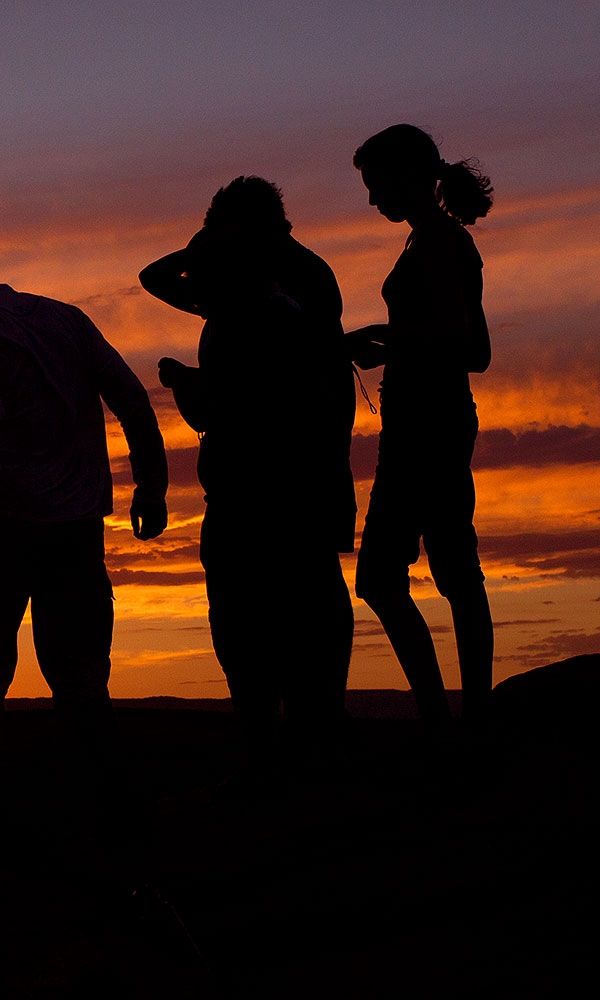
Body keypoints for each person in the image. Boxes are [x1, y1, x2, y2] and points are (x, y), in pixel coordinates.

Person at [0, 229, 169, 826]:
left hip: (7, 523)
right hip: (76, 527)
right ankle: (112, 802)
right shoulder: (64, 318)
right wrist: (151, 484)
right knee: (78, 669)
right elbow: (131, 398)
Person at [140, 176, 355, 763]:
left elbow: (215, 409)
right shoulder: (261, 302)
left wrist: (181, 380)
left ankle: (279, 747)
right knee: (300, 609)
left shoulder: (261, 308)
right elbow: (158, 279)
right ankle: (307, 740)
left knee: (250, 622)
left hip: (262, 488)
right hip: (296, 480)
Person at [343, 123, 495, 725]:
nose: (373, 200)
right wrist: (394, 345)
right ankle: (453, 718)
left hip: (431, 422)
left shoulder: (437, 240)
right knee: (415, 574)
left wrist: (383, 336)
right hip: (418, 422)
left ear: (409, 176)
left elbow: (464, 343)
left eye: (376, 185)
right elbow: (473, 346)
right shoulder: (431, 241)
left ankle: (462, 721)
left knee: (420, 573)